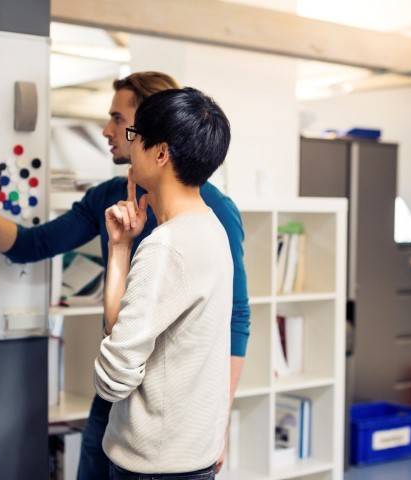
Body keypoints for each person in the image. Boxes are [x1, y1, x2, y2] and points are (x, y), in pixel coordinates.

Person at [0, 71, 250, 479]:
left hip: (166, 421)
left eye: (121, 121)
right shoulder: (112, 198)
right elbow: (29, 246)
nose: (109, 131)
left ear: (157, 140)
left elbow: (234, 318)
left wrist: (218, 422)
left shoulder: (208, 217)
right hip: (122, 408)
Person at [96, 86, 232, 479]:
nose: (127, 143)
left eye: (134, 135)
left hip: (152, 465)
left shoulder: (168, 247)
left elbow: (113, 377)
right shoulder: (209, 228)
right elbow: (120, 328)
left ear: (160, 153)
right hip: (187, 456)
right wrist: (120, 249)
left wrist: (105, 367)